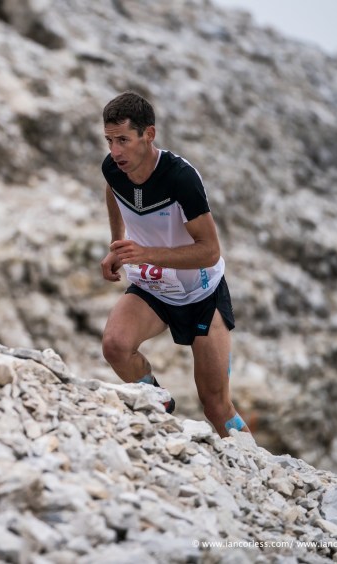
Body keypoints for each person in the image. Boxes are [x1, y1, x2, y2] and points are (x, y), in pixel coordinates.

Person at [99, 91, 250, 438]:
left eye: (123, 140)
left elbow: (209, 252)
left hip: (201, 294)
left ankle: (258, 463)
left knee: (215, 406)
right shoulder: (114, 168)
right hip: (153, 288)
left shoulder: (181, 178)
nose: (115, 151)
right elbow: (112, 190)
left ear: (148, 134)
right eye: (109, 140)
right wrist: (117, 244)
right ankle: (158, 402)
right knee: (115, 346)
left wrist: (144, 253)